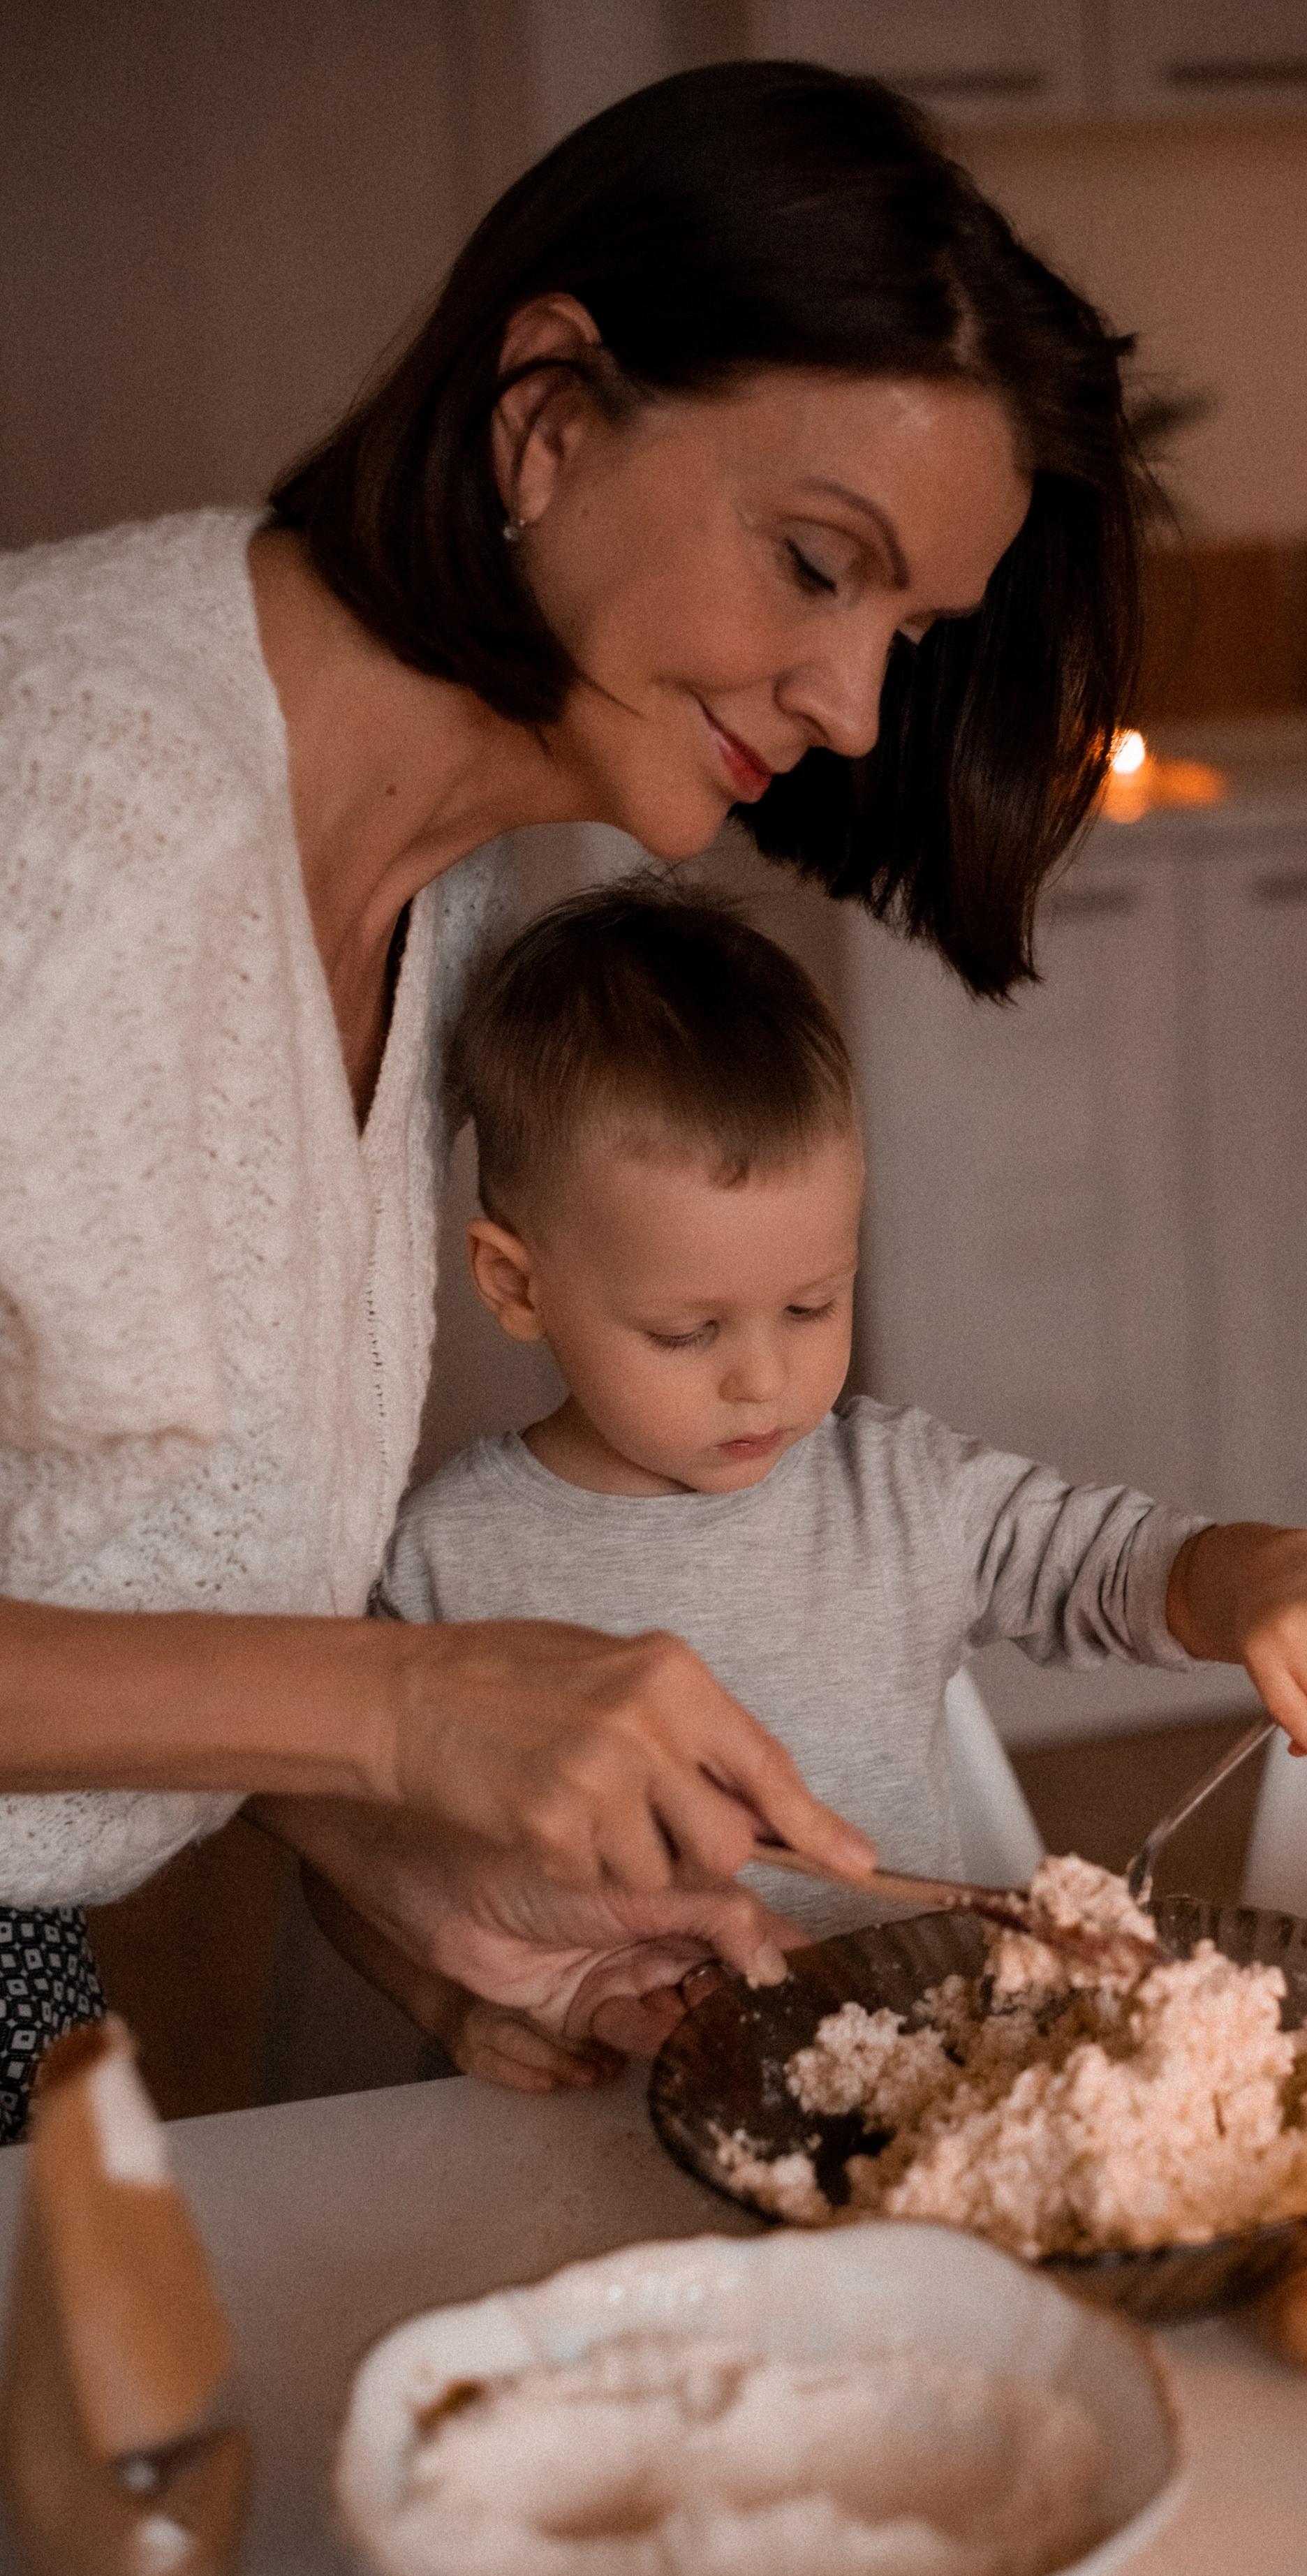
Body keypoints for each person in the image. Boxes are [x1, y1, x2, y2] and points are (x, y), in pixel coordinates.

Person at [0, 59, 1154, 2133]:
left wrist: (421, 1881)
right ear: (545, 421)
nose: (855, 701)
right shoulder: (68, 810)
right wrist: (408, 1704)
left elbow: (98, 1541)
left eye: (914, 626)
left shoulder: (429, 898)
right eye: (818, 562)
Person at [315, 888, 1307, 2091]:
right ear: (517, 1286)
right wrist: (455, 2011)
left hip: (900, 2091)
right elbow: (353, 1856)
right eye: (687, 1331)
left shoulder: (900, 1492)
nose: (766, 1379)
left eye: (812, 1304)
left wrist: (1264, 1574)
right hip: (595, 2101)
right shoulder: (440, 1561)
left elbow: (1129, 1566)